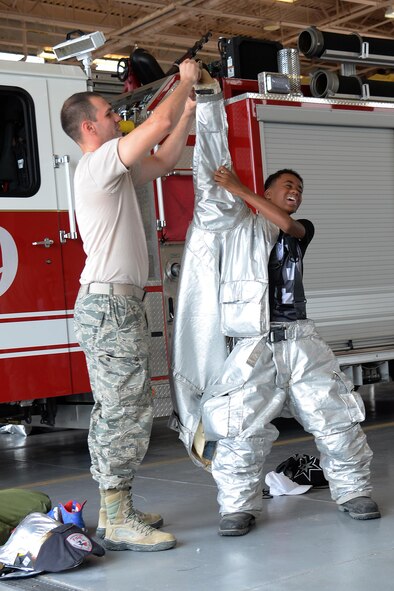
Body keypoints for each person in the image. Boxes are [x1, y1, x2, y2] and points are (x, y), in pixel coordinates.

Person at [170, 84, 380, 538]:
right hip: (252, 346)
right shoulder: (235, 228)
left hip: (301, 340)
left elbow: (285, 223)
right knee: (239, 430)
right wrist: (206, 108)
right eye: (287, 186)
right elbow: (210, 186)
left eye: (299, 189)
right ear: (268, 190)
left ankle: (353, 491)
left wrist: (240, 187)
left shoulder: (297, 230)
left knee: (336, 420)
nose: (295, 193)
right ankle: (237, 507)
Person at [60, 58, 200, 552]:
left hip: (116, 307)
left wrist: (189, 108)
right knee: (124, 413)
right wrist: (182, 82)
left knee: (122, 407)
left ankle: (115, 509)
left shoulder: (114, 172)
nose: (116, 115)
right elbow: (155, 124)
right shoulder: (98, 164)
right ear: (88, 125)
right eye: (108, 110)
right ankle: (117, 517)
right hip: (110, 308)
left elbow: (163, 158)